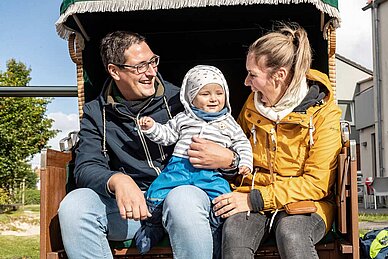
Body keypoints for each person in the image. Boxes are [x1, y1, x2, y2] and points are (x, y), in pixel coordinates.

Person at [57, 31, 235, 259]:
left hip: (186, 203)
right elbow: (86, 166)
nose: (152, 72)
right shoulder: (95, 112)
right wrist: (117, 180)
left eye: (152, 61)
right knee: (75, 206)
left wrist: (232, 160)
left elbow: (227, 135)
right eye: (140, 66)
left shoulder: (181, 101)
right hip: (134, 208)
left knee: (182, 199)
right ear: (114, 71)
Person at [211, 23, 343, 258]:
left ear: (279, 75)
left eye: (253, 75)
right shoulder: (251, 106)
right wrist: (229, 161)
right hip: (252, 194)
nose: (245, 83)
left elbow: (316, 184)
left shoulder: (324, 113)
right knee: (234, 234)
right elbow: (239, 158)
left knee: (291, 233)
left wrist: (257, 199)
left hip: (306, 201)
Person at [134, 65, 253, 254]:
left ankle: (216, 230)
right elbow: (167, 135)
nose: (214, 98)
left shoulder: (229, 123)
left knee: (222, 197)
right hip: (179, 167)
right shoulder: (183, 118)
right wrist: (151, 128)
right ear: (191, 98)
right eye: (205, 94)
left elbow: (242, 144)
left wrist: (245, 163)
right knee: (156, 191)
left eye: (219, 93)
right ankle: (152, 225)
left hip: (210, 174)